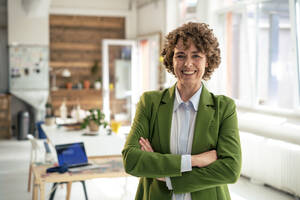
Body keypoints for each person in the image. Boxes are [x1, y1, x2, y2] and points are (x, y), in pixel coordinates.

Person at [122, 22, 241, 200]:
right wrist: (194, 161)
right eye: (180, 55)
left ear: (208, 60)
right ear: (171, 60)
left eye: (196, 56)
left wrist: (167, 177)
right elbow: (131, 160)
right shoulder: (150, 103)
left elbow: (231, 170)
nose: (188, 63)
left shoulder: (224, 108)